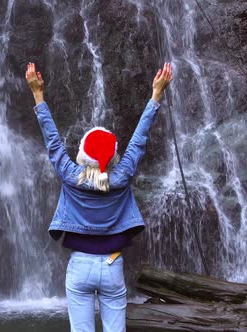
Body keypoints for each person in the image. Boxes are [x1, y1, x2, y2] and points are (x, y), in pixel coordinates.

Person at [25, 62, 173, 332]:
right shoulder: (122, 174)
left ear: (82, 154)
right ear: (114, 157)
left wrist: (38, 94)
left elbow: (53, 142)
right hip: (112, 264)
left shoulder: (71, 175)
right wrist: (156, 96)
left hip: (79, 265)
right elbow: (139, 139)